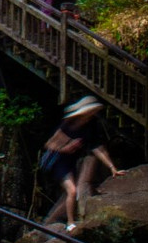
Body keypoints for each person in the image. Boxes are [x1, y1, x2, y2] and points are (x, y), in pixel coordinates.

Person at [41, 94, 122, 231]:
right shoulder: (69, 124)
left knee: (72, 192)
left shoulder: (91, 125)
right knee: (72, 191)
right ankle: (70, 223)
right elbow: (49, 144)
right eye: (91, 111)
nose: (93, 113)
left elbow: (98, 148)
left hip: (70, 162)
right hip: (59, 162)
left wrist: (112, 167)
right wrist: (65, 148)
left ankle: (67, 220)